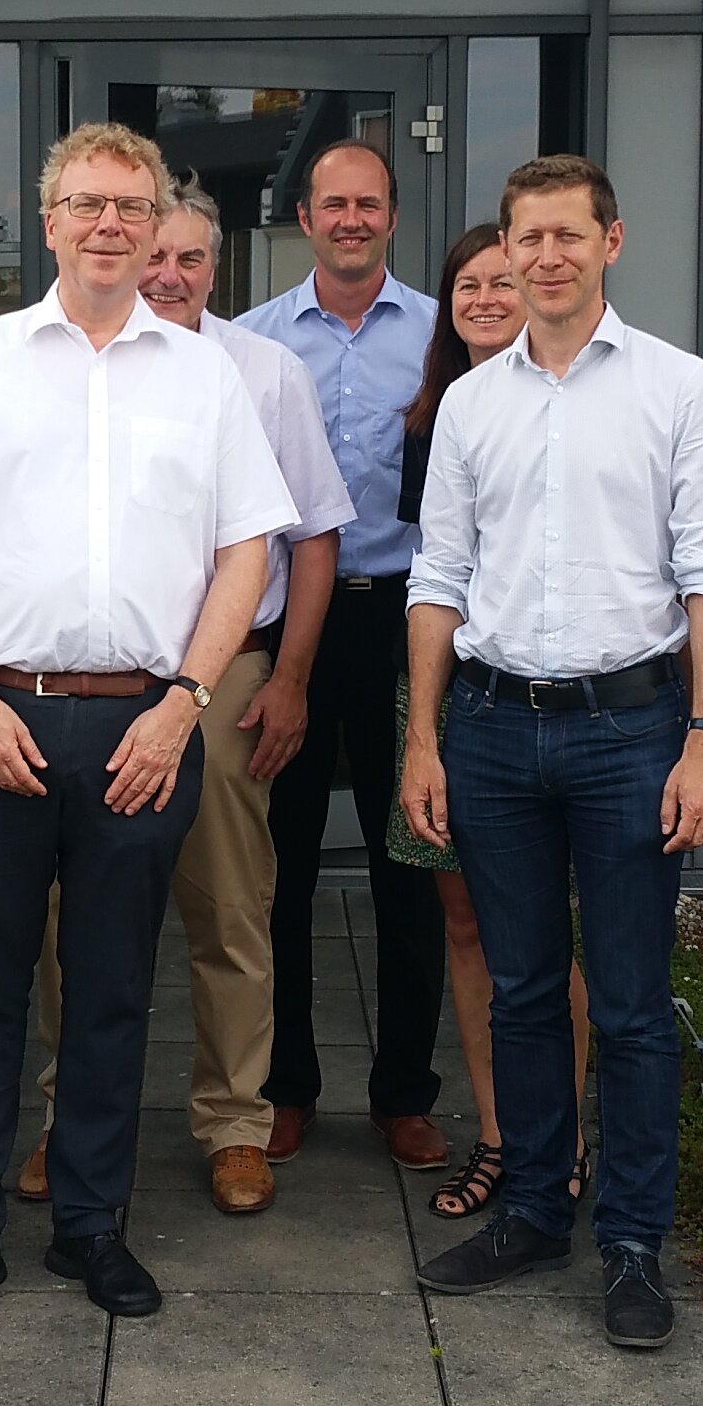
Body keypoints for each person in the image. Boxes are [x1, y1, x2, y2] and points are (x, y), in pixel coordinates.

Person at [0, 122, 295, 1334]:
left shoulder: (203, 378)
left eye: (131, 207)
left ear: (158, 228)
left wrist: (185, 707)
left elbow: (246, 551)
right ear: (49, 221)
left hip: (144, 730)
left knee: (114, 988)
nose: (111, 225)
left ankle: (91, 1225)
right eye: (88, 204)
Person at [400, 154, 703, 1351]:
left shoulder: (681, 390)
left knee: (637, 1003)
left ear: (612, 241)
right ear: (504, 251)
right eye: (526, 238)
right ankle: (536, 1210)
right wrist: (422, 739)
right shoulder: (472, 404)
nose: (544, 257)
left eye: (567, 234)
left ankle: (635, 1241)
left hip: (632, 729)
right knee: (523, 989)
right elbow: (440, 575)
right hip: (493, 727)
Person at [18, 181, 357, 1216]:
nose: (168, 274)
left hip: (226, 681)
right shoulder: (50, 366)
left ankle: (236, 1124)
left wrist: (289, 677)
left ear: (218, 268)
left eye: (190, 259)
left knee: (230, 908)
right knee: (69, 916)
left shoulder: (263, 371)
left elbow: (313, 538)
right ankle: (69, 1116)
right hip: (92, 683)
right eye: (154, 254)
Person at [241, 138, 454, 1171]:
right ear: (306, 218)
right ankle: (286, 1086)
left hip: (409, 620)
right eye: (334, 204)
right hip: (292, 626)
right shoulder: (255, 344)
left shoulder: (445, 336)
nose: (352, 220)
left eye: (369, 204)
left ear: (392, 216)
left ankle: (403, 1093)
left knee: (407, 859)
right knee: (275, 867)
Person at [386, 223, 592, 1223]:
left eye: (500, 282)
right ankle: (503, 1136)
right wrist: (422, 727)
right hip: (449, 691)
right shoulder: (438, 416)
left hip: (559, 700)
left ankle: (568, 1140)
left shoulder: (590, 411)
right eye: (465, 285)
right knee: (466, 924)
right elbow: (437, 569)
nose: (484, 299)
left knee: (555, 933)